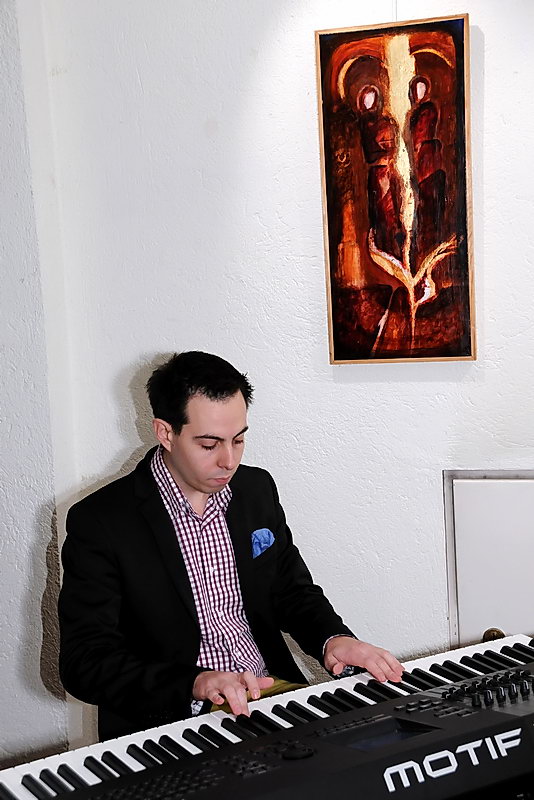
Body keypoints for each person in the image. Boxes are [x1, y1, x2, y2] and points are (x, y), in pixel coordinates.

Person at [58, 351, 403, 741]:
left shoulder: (255, 490)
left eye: (238, 440)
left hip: (272, 699)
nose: (229, 460)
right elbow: (84, 662)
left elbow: (292, 592)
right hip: (174, 724)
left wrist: (333, 639)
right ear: (166, 433)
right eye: (210, 444)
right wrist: (195, 682)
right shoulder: (101, 521)